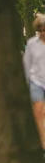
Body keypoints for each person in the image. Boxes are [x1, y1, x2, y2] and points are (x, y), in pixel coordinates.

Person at [22, 14, 45, 149]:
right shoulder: (32, 44)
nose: (42, 33)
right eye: (40, 30)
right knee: (38, 110)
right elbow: (27, 63)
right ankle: (43, 141)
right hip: (36, 80)